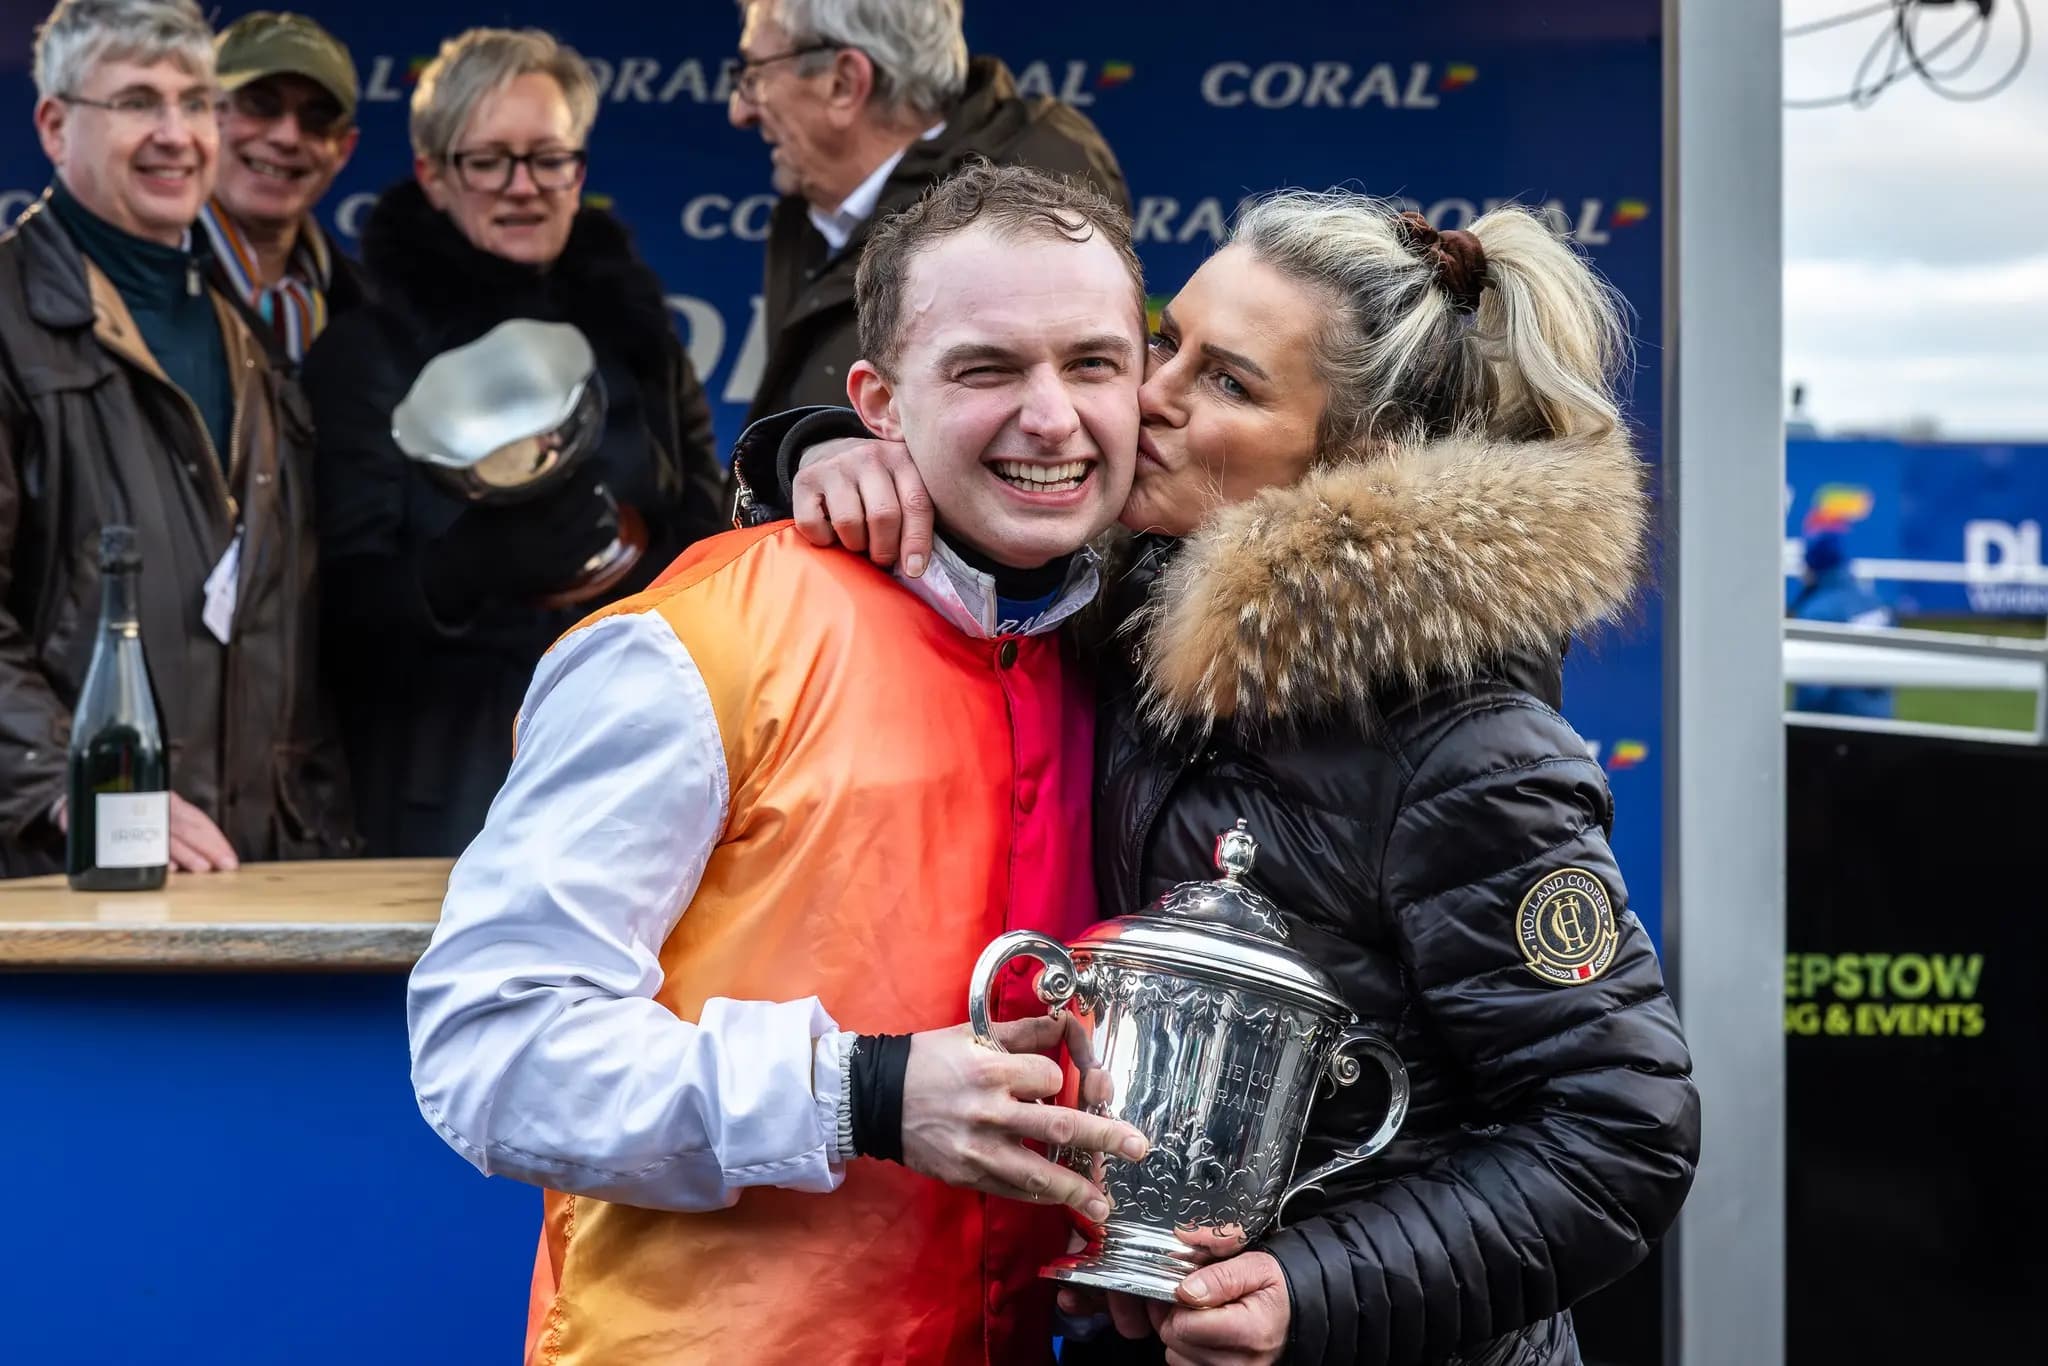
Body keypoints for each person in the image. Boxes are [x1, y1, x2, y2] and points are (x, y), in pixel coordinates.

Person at [741, 192, 1703, 1366]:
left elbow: (1618, 1134)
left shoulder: (1468, 747)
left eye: (1229, 382)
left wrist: (1305, 1291)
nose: (1148, 396)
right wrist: (828, 452)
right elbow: (980, 473)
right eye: (1164, 341)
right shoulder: (1125, 599)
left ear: (1356, 459)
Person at [407, 162, 1156, 1366]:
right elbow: (486, 1052)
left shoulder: (1122, 652)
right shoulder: (696, 643)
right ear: (878, 402)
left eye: (1090, 363)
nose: (1052, 415)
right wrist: (855, 1091)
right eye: (985, 369)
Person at [300, 28, 728, 858]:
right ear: (433, 174)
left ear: (579, 173)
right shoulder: (367, 355)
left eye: (548, 158)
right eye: (489, 160)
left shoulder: (643, 339)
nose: (523, 187)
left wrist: (649, 563)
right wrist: (466, 572)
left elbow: (712, 533)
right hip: (446, 785)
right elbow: (339, 611)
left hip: (636, 768)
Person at [0, 0, 356, 877]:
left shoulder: (249, 339)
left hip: (245, 875)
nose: (176, 134)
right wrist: (73, 783)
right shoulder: (8, 318)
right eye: (135, 102)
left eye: (196, 103)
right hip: (60, 878)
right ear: (55, 125)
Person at [727, 0, 1129, 433]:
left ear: (844, 83)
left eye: (755, 74)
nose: (740, 111)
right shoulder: (805, 211)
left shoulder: (1036, 190)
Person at [200, 11, 363, 364]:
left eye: (317, 118)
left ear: (344, 150)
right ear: (203, 115)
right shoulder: (135, 284)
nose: (287, 137)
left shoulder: (371, 308)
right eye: (260, 105)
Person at [1791, 527, 1895, 718]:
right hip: (1881, 717)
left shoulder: (1818, 611)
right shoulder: (1874, 601)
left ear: (1813, 564)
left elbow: (1812, 686)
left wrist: (1799, 723)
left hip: (1838, 726)